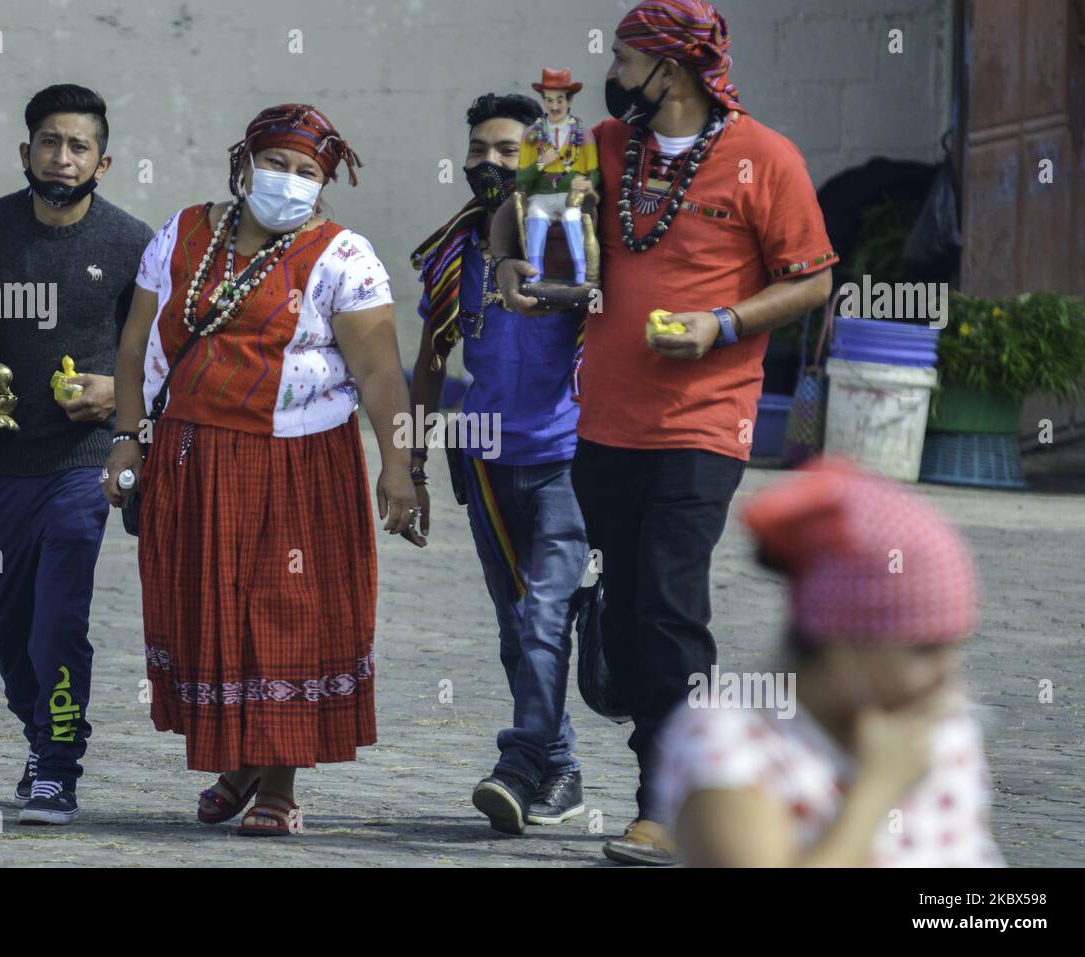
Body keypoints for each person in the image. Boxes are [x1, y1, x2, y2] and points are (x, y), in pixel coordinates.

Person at [495, 0, 838, 864]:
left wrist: (720, 325)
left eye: (622, 58)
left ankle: (667, 801)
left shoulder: (767, 157)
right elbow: (516, 209)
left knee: (669, 607)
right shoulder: (605, 147)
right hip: (602, 424)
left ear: (671, 71)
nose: (609, 73)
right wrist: (511, 265)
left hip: (704, 424)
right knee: (624, 610)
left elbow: (812, 281)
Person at [104, 104, 420, 836]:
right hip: (192, 455)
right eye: (277, 163)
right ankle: (241, 759)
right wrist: (127, 439)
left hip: (301, 461)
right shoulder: (180, 235)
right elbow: (133, 347)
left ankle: (279, 784)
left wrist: (398, 466)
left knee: (287, 612)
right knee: (210, 609)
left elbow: (380, 375)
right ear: (244, 164)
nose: (290, 181)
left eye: (309, 172)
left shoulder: (345, 256)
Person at [0, 84, 153, 825]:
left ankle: (56, 765)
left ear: (103, 162)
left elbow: (155, 354)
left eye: (79, 146)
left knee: (59, 618)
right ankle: (43, 733)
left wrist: (115, 392)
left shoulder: (131, 243)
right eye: (50, 141)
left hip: (82, 463)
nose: (63, 157)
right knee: (5, 622)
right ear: (27, 152)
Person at [655, 455, 1005, 867]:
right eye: (924, 649)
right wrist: (876, 790)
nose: (950, 671)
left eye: (956, 645)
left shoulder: (940, 729)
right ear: (842, 648)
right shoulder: (732, 741)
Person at [409, 93, 589, 834]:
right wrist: (410, 462)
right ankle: (562, 769)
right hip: (483, 461)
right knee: (518, 629)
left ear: (540, 157)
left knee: (546, 615)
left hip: (566, 461)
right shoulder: (457, 252)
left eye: (508, 151)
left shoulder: (572, 239)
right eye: (479, 149)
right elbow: (429, 361)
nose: (489, 163)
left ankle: (520, 763)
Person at [516, 68, 600, 285]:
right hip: (540, 198)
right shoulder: (530, 134)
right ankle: (535, 271)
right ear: (543, 101)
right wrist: (542, 162)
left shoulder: (584, 134)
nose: (554, 106)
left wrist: (587, 183)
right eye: (549, 100)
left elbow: (595, 172)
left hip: (568, 197)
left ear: (569, 100)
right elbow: (521, 180)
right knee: (534, 218)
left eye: (560, 100)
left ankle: (581, 271)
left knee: (572, 218)